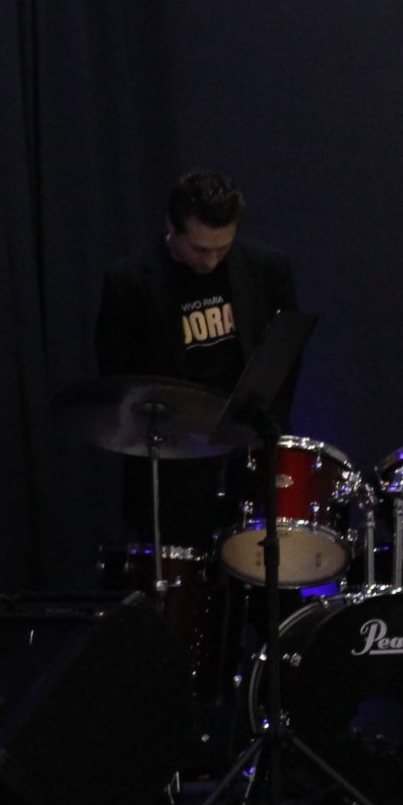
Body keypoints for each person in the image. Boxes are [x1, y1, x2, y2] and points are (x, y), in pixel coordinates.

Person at [95, 170, 301, 545]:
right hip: (174, 467)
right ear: (171, 226)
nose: (211, 261)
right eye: (200, 249)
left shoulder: (266, 268)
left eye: (222, 248)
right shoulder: (130, 283)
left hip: (247, 452)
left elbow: (285, 357)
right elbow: (117, 381)